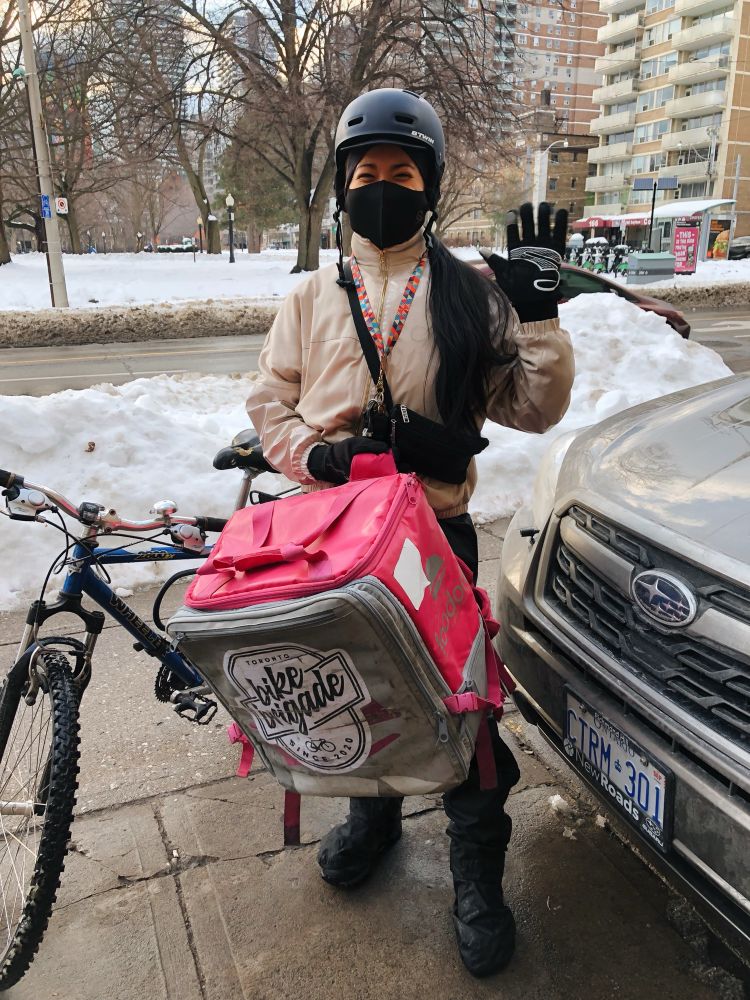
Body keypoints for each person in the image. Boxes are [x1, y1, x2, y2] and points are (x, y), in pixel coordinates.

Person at [246, 88, 575, 978]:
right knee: (356, 696)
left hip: (436, 537)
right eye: (366, 174)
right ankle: (373, 816)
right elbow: (270, 402)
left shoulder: (469, 297)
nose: (382, 186)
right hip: (333, 538)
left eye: (401, 172)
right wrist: (316, 457)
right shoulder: (310, 296)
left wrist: (539, 320)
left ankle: (478, 880)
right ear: (342, 187)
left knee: (463, 711)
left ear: (429, 185)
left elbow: (534, 407)